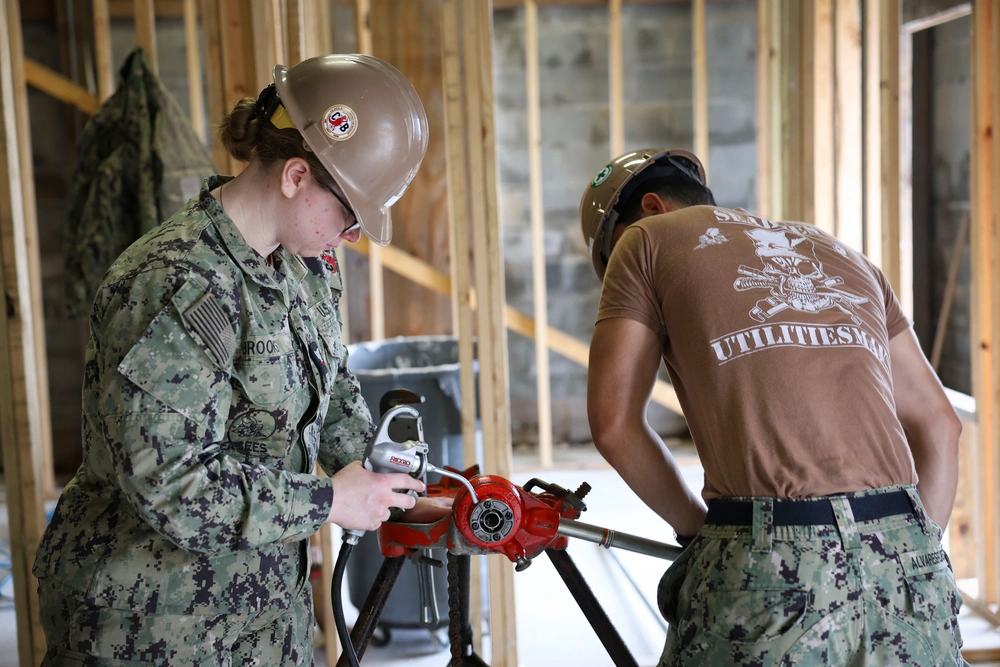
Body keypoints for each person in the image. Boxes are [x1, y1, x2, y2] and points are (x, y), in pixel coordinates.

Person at [34, 54, 449, 666]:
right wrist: (329, 501)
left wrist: (389, 477)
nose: (355, 235)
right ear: (296, 176)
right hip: (152, 629)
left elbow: (330, 393)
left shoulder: (307, 265)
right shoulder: (173, 284)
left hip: (264, 615)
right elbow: (173, 484)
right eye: (352, 214)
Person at [580, 148, 967, 666]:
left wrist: (696, 531)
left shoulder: (645, 241)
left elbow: (612, 425)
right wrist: (915, 548)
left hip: (772, 560)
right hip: (907, 556)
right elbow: (941, 425)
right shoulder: (843, 254)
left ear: (651, 207)